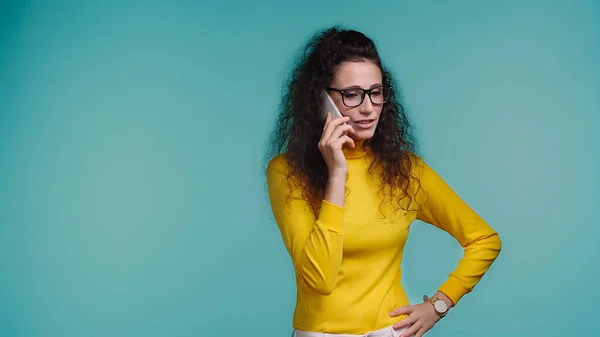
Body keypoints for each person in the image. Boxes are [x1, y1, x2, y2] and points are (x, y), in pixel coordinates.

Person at [264, 26, 502, 337]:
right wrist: (337, 173)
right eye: (352, 95)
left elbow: (485, 240)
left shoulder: (406, 170)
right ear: (321, 101)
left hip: (391, 331)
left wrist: (439, 306)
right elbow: (319, 280)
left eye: (376, 92)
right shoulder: (287, 171)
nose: (368, 107)